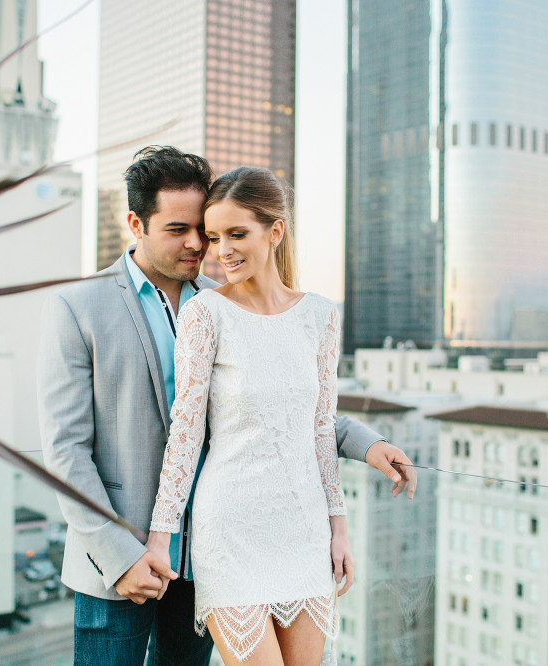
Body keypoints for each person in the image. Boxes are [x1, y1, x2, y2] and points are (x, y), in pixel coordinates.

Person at [37, 146, 417, 665]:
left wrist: (367, 443)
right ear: (135, 223)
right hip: (118, 564)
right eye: (178, 229)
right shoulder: (78, 307)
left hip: (206, 555)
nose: (199, 244)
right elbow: (65, 452)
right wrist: (120, 556)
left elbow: (283, 407)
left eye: (206, 230)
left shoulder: (226, 300)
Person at [147, 166, 364, 665]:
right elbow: (185, 433)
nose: (222, 252)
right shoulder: (206, 313)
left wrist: (339, 528)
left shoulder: (321, 315)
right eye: (215, 236)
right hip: (231, 532)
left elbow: (320, 429)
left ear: (276, 232)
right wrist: (162, 537)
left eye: (237, 234)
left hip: (305, 532)